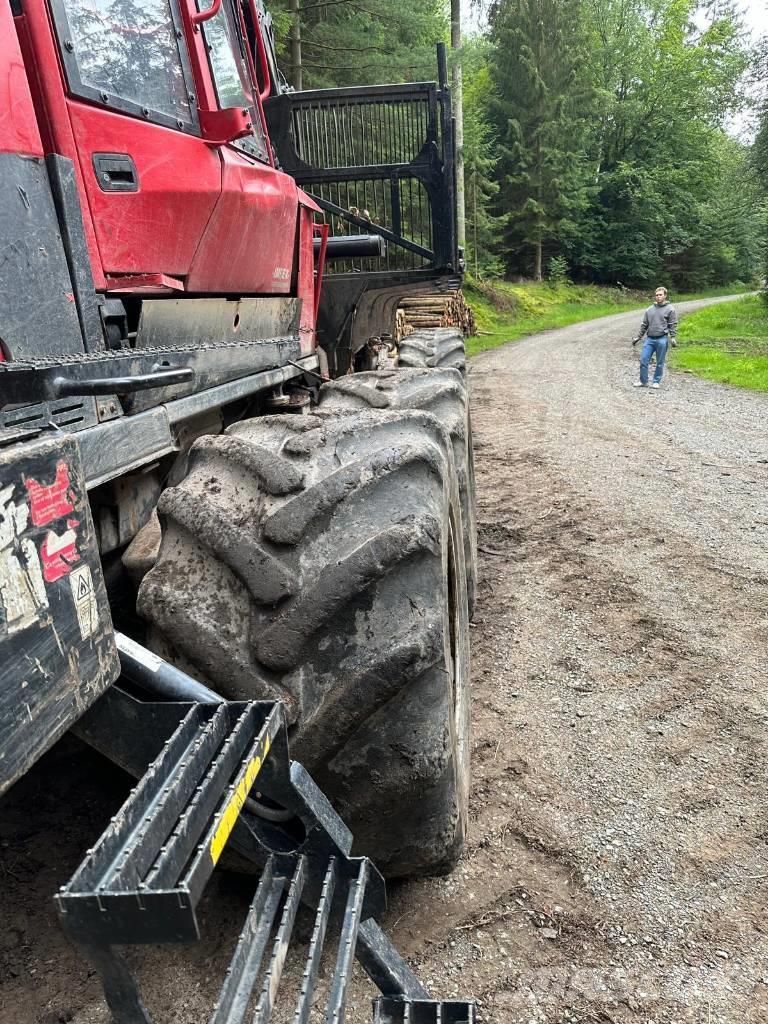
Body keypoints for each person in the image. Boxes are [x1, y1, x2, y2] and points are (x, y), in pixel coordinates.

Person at [631, 286, 678, 389]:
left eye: (660, 295)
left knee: (660, 362)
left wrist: (673, 337)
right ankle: (643, 381)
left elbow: (672, 324)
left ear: (665, 296)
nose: (658, 297)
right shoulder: (649, 310)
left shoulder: (670, 309)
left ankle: (656, 381)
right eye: (656, 295)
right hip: (650, 339)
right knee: (643, 360)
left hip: (662, 338)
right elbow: (644, 325)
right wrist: (638, 337)